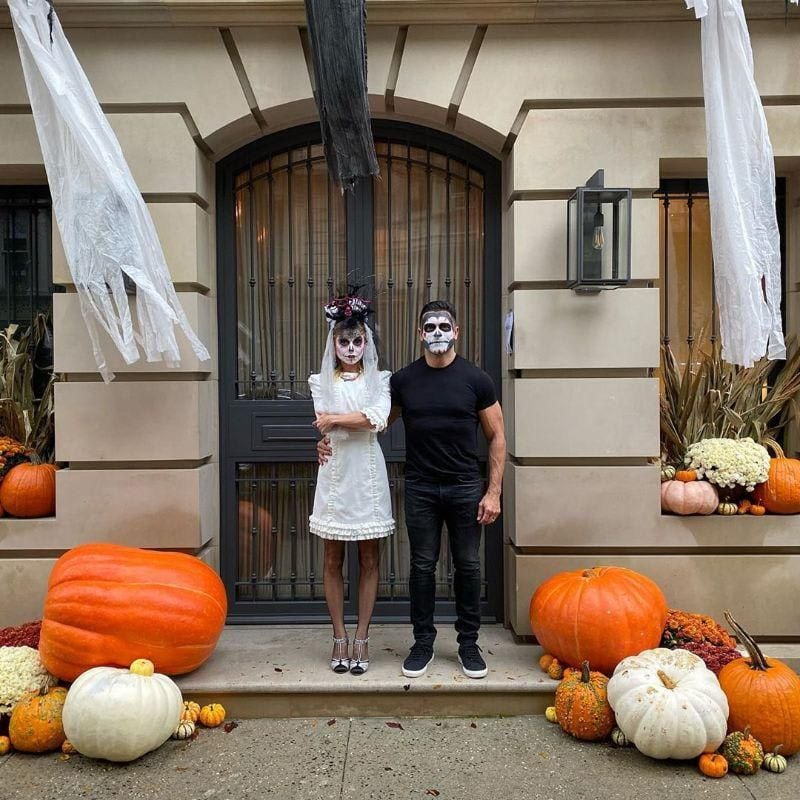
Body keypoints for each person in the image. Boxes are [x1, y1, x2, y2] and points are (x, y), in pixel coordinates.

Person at [319, 299, 506, 680]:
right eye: (430, 327)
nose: (437, 333)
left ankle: (468, 645)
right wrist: (326, 440)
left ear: (456, 331)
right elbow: (374, 423)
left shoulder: (477, 379)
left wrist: (493, 492)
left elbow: (497, 435)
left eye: (444, 327)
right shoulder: (403, 381)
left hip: (465, 486)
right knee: (421, 567)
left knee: (468, 566)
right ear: (420, 334)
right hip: (420, 486)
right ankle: (422, 644)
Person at [309, 292, 395, 676]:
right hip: (335, 469)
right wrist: (331, 429)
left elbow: (377, 418)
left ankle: (362, 635)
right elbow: (325, 419)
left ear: (366, 342)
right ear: (333, 343)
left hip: (368, 473)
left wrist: (334, 422)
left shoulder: (381, 380)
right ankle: (339, 635)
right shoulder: (319, 381)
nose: (350, 348)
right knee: (332, 557)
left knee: (369, 557)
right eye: (343, 341)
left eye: (357, 340)